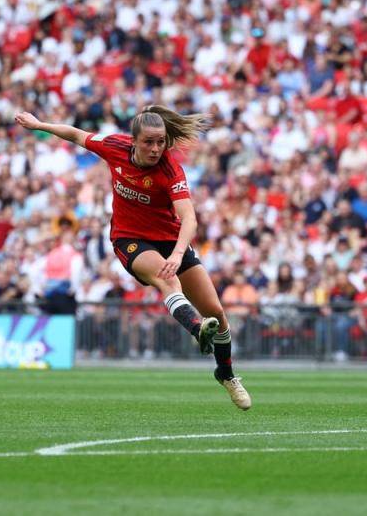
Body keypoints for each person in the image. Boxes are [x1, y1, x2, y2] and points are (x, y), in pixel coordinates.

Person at [14, 105, 252, 410]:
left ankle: (226, 374)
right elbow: (75, 134)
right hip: (130, 240)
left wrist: (179, 253)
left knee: (217, 313)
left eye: (161, 142)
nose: (156, 149)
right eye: (149, 142)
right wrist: (39, 124)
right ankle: (196, 329)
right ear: (134, 140)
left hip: (171, 242)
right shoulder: (114, 146)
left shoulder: (170, 170)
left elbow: (189, 218)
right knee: (168, 281)